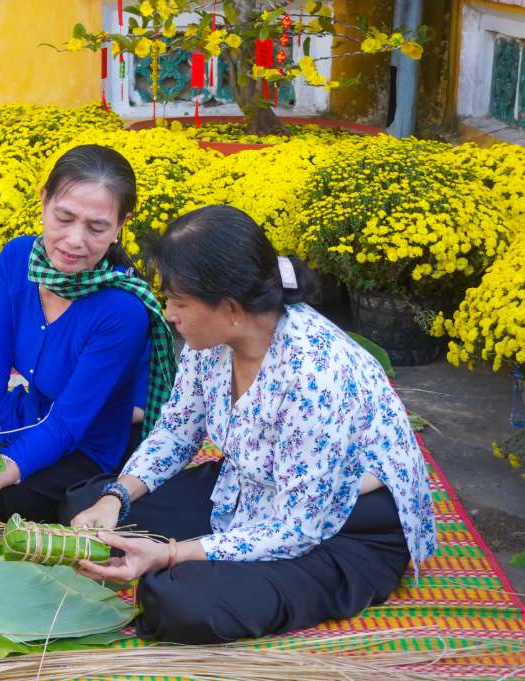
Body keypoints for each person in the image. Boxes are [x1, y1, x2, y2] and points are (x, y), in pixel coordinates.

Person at [63, 205, 438, 644]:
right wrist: (116, 498)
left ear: (230, 308)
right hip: (253, 488)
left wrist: (170, 554)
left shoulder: (316, 372)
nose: (169, 314)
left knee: (178, 600)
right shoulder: (209, 341)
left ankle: (180, 569)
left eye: (179, 303)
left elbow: (296, 527)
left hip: (341, 527)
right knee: (86, 508)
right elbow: (177, 432)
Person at [0, 144, 177, 523]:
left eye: (96, 227)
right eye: (64, 218)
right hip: (24, 412)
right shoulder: (17, 257)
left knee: (10, 495)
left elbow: (68, 423)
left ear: (120, 226)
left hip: (80, 445)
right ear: (43, 202)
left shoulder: (122, 309)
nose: (75, 240)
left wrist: (2, 472)